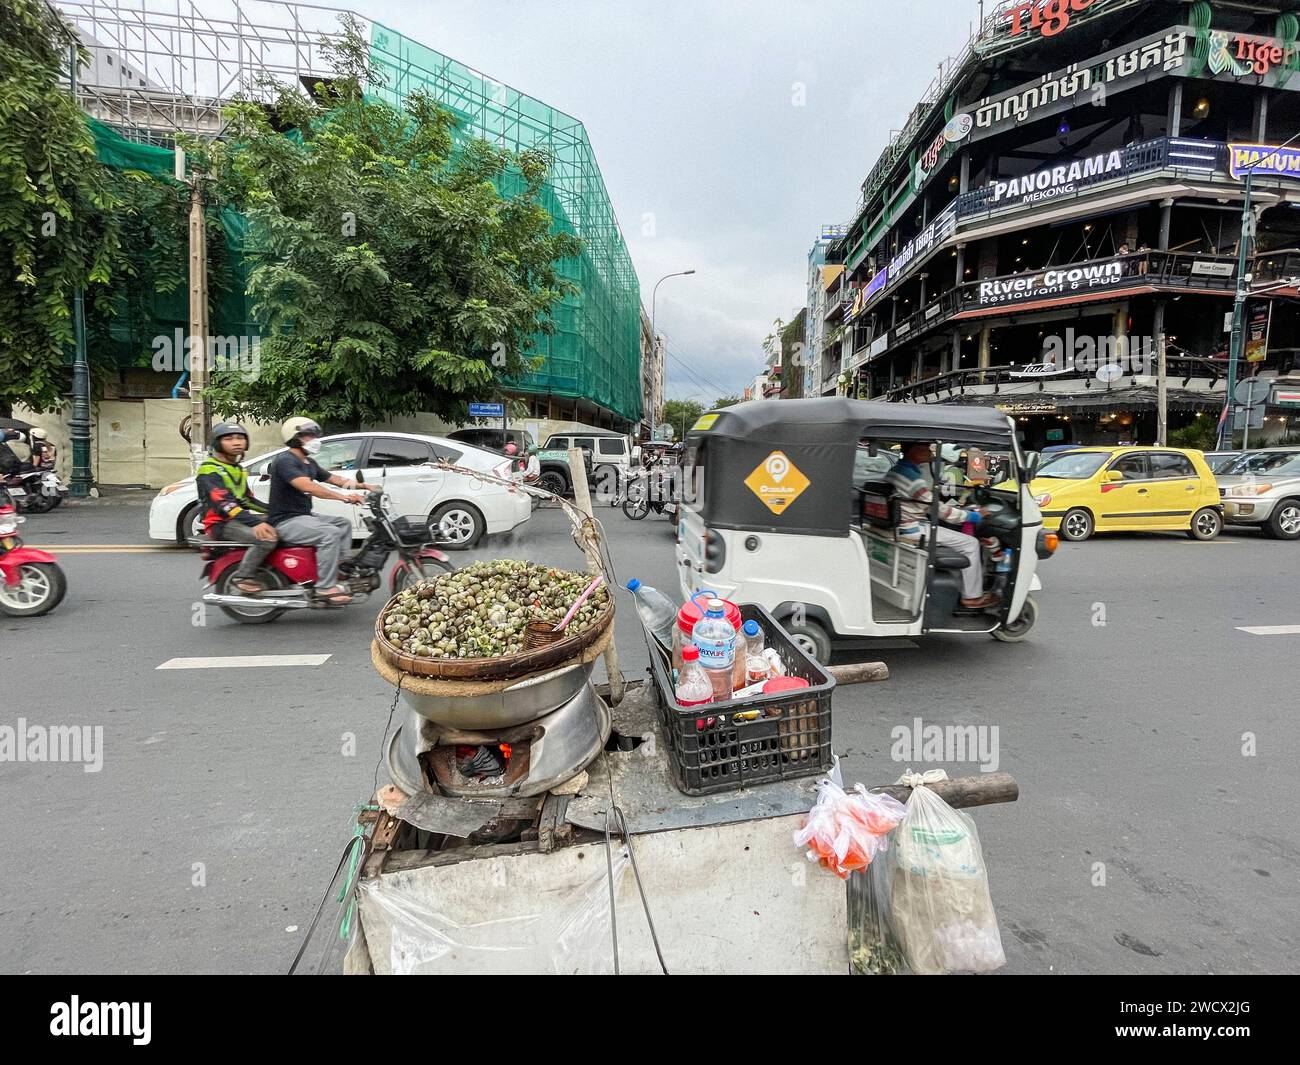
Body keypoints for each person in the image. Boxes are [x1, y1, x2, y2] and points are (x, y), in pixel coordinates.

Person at [267, 417, 379, 605]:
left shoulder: (308, 462)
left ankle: (339, 569)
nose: (314, 440)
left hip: (303, 516)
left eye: (314, 435)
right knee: (330, 533)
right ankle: (325, 588)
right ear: (295, 438)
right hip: (285, 521)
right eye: (308, 436)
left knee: (343, 524)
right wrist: (343, 497)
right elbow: (309, 487)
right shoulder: (286, 460)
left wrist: (364, 486)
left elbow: (335, 479)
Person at [886, 442, 999, 610]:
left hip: (900, 525)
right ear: (915, 450)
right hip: (912, 530)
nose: (930, 451)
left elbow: (926, 504)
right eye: (926, 447)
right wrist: (973, 516)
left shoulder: (895, 471)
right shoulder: (912, 480)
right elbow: (940, 511)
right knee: (971, 543)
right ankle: (972, 597)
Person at [196, 423, 279, 595]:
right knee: (266, 539)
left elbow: (246, 500)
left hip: (237, 519)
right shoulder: (209, 469)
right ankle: (243, 577)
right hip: (220, 524)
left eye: (240, 438)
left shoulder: (239, 469)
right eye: (229, 439)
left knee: (283, 523)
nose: (236, 442)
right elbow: (225, 504)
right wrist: (256, 522)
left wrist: (276, 512)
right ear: (217, 443)